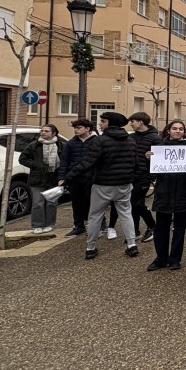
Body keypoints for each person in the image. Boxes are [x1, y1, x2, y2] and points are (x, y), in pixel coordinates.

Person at [59, 111, 139, 260]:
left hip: (103, 184)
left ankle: (90, 248)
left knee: (95, 215)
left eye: (102, 121)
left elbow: (87, 162)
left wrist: (67, 178)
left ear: (109, 123)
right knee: (126, 214)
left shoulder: (101, 141)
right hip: (124, 184)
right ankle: (132, 245)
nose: (100, 124)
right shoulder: (130, 141)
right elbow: (136, 164)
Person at [145, 120, 186, 272]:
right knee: (161, 228)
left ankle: (175, 259)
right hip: (164, 193)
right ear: (168, 131)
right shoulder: (160, 149)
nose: (177, 131)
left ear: (184, 132)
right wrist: (149, 159)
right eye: (174, 128)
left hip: (183, 193)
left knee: (179, 229)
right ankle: (160, 258)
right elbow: (152, 173)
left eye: (180, 129)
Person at [19, 124, 66, 234]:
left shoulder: (61, 145)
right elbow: (23, 159)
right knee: (38, 203)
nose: (43, 133)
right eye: (42, 131)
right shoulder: (34, 145)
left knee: (51, 202)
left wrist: (62, 176)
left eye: (46, 131)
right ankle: (37, 225)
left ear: (54, 133)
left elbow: (65, 161)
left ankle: (49, 224)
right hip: (37, 178)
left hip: (54, 177)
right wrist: (36, 164)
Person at [58, 118, 96, 237]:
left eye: (79, 128)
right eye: (75, 128)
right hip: (74, 177)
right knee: (76, 202)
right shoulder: (70, 143)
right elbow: (64, 161)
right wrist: (62, 177)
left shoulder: (96, 141)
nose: (76, 130)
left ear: (87, 129)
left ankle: (97, 224)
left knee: (93, 202)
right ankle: (78, 225)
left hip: (91, 177)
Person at [128, 112, 160, 244]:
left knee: (137, 203)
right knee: (132, 204)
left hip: (144, 176)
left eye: (133, 121)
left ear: (141, 122)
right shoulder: (131, 137)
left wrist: (150, 176)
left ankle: (152, 226)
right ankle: (134, 230)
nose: (131, 124)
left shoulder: (155, 138)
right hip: (131, 175)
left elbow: (159, 159)